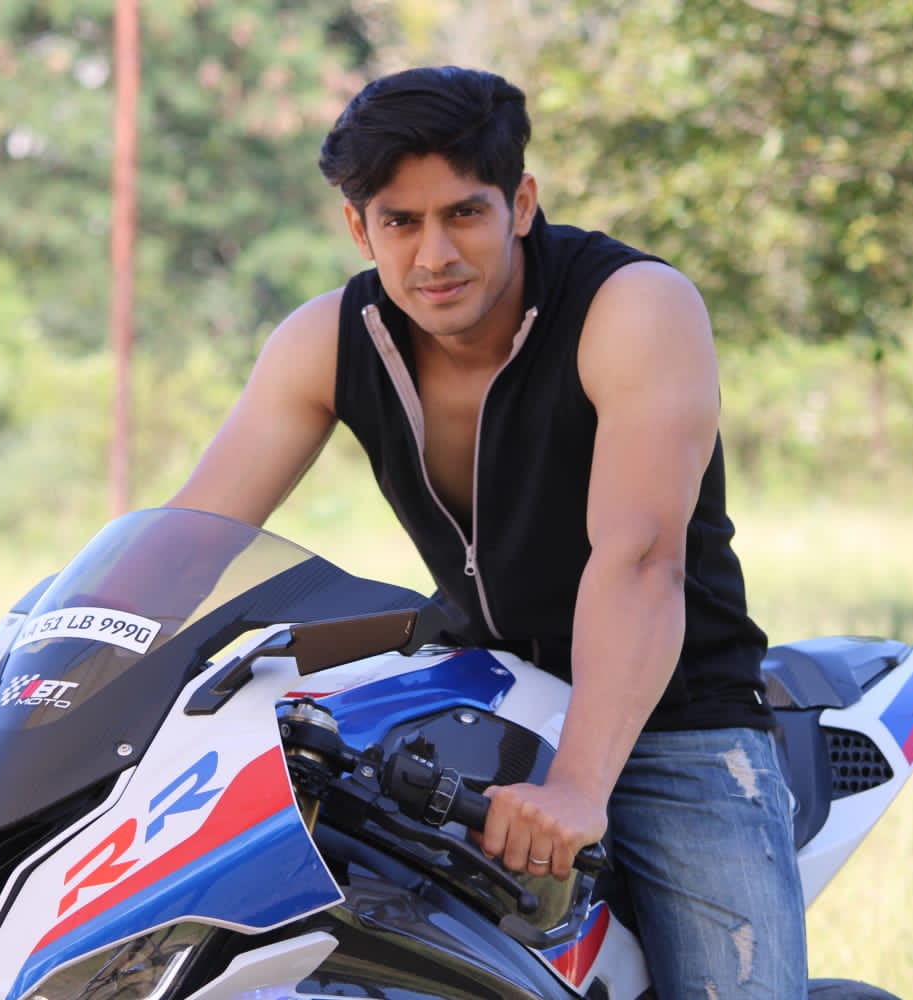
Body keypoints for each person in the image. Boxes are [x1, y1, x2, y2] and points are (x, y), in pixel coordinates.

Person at [166, 65, 806, 998]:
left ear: (522, 204)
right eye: (401, 222)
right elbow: (189, 545)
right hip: (477, 699)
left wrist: (578, 787)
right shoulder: (328, 341)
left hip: (674, 717)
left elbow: (639, 560)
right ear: (359, 229)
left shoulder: (632, 306)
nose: (435, 255)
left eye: (464, 213)